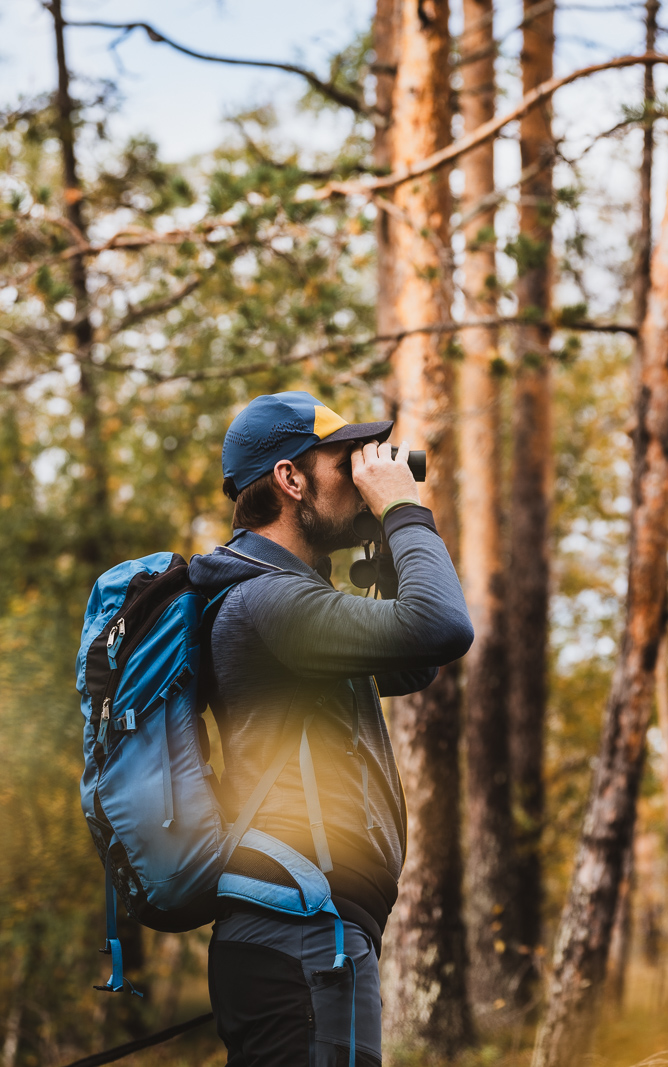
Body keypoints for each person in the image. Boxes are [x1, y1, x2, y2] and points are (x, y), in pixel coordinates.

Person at [187, 390, 473, 1067]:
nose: (363, 470)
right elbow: (445, 625)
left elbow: (415, 663)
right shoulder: (270, 600)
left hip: (303, 932)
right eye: (345, 460)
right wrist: (404, 508)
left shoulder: (282, 597)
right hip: (302, 930)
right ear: (290, 479)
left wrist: (384, 551)